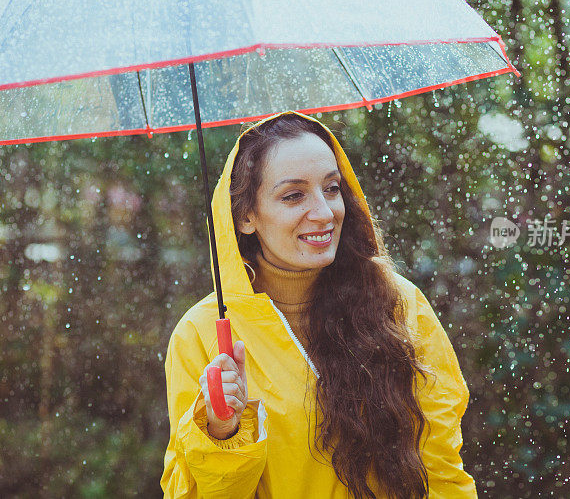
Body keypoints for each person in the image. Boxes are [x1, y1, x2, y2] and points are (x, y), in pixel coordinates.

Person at [161, 111, 477, 498]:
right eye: (294, 195)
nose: (325, 213)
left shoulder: (401, 306)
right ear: (245, 216)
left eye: (331, 189)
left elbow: (442, 470)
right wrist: (222, 431)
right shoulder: (201, 335)